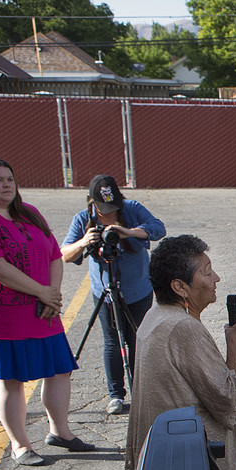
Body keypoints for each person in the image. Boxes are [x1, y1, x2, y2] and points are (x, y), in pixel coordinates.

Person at [0, 156, 93, 467]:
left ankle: (60, 433)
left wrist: (53, 296)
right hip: (0, 312)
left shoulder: (29, 213)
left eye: (9, 178)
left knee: (60, 369)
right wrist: (43, 292)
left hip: (41, 306)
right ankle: (20, 445)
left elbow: (53, 255)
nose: (6, 184)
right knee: (13, 379)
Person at [126, 235, 236, 470]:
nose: (216, 279)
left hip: (164, 458)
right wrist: (234, 348)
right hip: (193, 468)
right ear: (180, 287)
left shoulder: (155, 316)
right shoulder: (183, 328)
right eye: (207, 272)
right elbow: (225, 401)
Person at [62, 174, 166, 415]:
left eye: (113, 208)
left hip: (138, 289)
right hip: (105, 293)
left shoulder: (131, 209)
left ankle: (143, 392)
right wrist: (83, 242)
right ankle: (116, 395)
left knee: (139, 340)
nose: (109, 213)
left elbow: (158, 228)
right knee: (112, 343)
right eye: (103, 209)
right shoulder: (82, 219)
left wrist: (126, 231)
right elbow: (64, 254)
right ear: (92, 202)